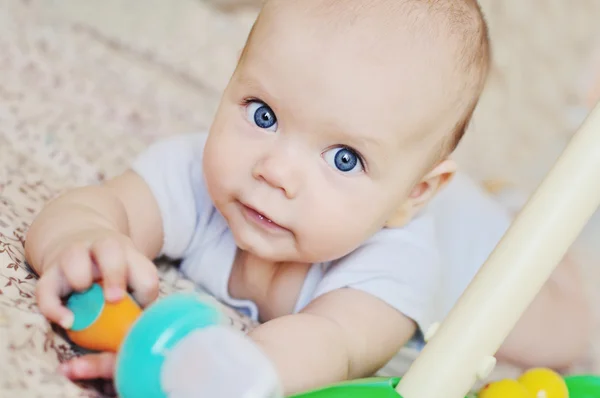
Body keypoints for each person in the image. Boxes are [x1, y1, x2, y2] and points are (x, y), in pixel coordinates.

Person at [24, 0, 590, 395]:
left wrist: (207, 371)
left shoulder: (393, 265)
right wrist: (80, 240)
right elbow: (96, 208)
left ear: (410, 196)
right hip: (425, 191)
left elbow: (329, 346)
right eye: (263, 114)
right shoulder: (202, 172)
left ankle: (509, 202)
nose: (275, 172)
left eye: (344, 157)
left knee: (569, 329)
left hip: (478, 245)